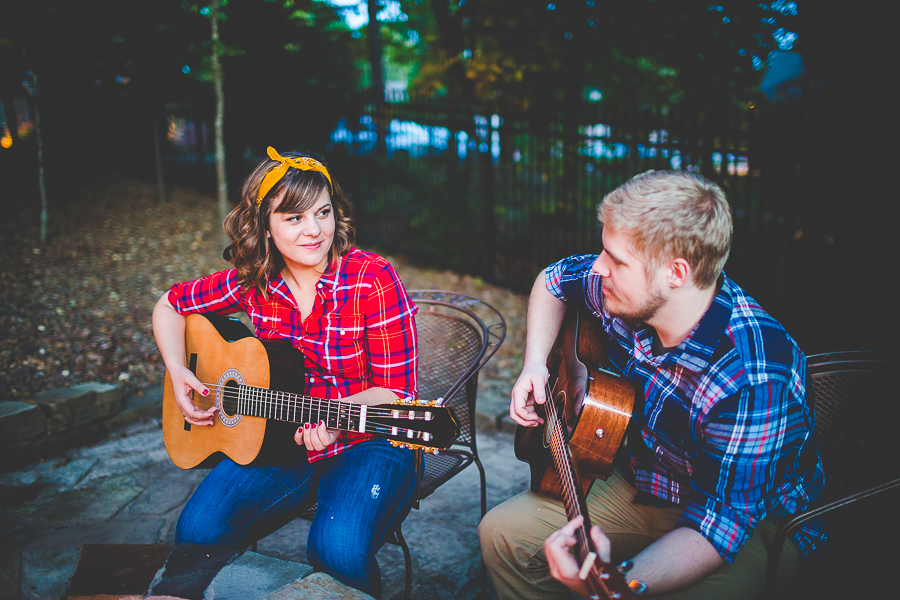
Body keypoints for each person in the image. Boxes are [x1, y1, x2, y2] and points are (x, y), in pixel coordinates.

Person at [478, 171, 825, 600]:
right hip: (647, 480)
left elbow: (718, 528)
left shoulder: (754, 376)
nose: (598, 267)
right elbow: (554, 281)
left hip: (751, 527)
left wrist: (615, 584)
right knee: (502, 535)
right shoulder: (626, 292)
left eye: (617, 260)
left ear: (675, 273)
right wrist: (534, 365)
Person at [152, 147, 419, 598]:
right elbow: (170, 305)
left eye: (323, 212)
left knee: (336, 552)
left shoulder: (370, 278)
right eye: (294, 218)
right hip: (280, 439)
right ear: (265, 227)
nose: (315, 230)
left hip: (371, 438)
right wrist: (178, 369)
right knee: (198, 528)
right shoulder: (256, 280)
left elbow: (397, 392)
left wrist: (336, 417)